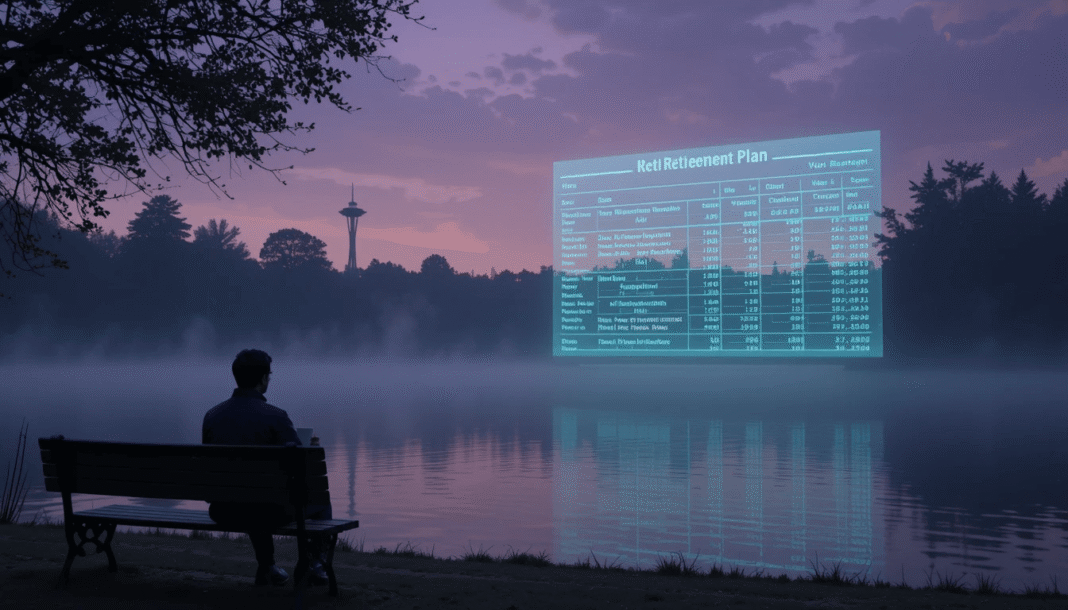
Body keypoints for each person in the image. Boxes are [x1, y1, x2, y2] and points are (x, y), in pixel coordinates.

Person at [203, 349, 330, 587]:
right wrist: (311, 450)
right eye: (269, 375)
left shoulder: (212, 416)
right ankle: (315, 564)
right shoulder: (276, 417)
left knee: (249, 497)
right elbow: (302, 470)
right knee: (319, 500)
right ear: (263, 378)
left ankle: (268, 565)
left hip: (223, 509)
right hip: (268, 511)